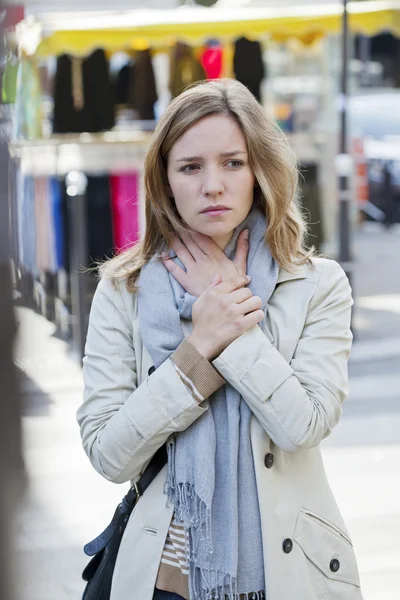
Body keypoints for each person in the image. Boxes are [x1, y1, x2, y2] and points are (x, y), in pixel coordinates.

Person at [77, 79, 363, 600]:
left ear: (259, 172)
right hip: (165, 582)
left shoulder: (317, 284)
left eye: (233, 163)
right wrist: (196, 353)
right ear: (164, 181)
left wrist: (232, 333)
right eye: (191, 167)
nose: (213, 184)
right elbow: (109, 455)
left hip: (284, 574)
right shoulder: (124, 290)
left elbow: (304, 426)